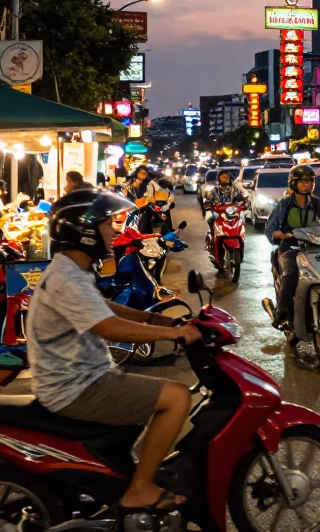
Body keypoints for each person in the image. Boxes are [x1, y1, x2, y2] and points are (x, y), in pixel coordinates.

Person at [27, 188, 202, 510]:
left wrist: (153, 317)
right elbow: (108, 327)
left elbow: (102, 306)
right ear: (85, 232)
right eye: (108, 224)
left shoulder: (72, 269)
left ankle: (123, 476)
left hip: (77, 377)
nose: (114, 231)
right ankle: (141, 489)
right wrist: (174, 334)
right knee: (177, 397)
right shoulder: (69, 276)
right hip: (77, 385)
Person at [265, 165, 320, 324]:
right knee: (291, 274)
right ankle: (281, 313)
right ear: (293, 183)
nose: (306, 185)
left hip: (314, 247)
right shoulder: (284, 204)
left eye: (309, 181)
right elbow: (270, 226)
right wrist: (275, 233)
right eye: (302, 182)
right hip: (290, 248)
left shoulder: (318, 203)